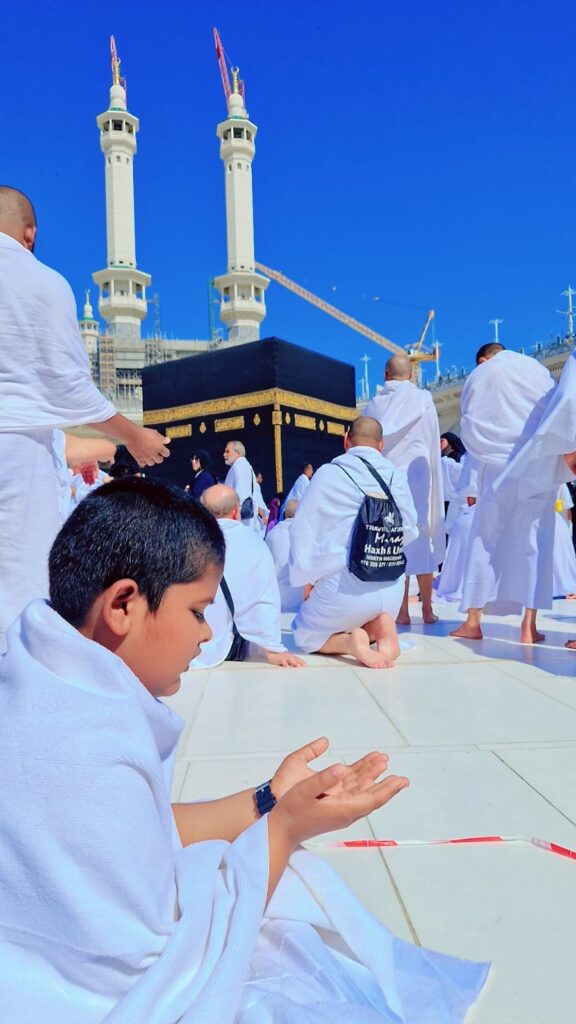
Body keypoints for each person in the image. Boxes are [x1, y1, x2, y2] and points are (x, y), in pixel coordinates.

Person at [0, 477, 488, 1021]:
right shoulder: (87, 744)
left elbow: (144, 826)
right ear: (123, 606)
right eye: (197, 611)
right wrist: (285, 832)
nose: (207, 635)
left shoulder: (39, 680)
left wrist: (270, 800)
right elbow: (157, 970)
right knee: (289, 908)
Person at [0, 186, 171, 647]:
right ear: (30, 234)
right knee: (19, 590)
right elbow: (70, 387)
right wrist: (133, 435)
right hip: (17, 454)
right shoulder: (43, 283)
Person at [289, 417, 418, 668]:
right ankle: (379, 625)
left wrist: (308, 578)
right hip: (391, 587)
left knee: (303, 635)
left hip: (345, 589)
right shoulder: (397, 477)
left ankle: (349, 643)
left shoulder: (329, 473)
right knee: (365, 611)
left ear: (346, 440)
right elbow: (410, 530)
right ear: (381, 444)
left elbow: (303, 530)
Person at [450, 343, 557, 643]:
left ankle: (473, 622)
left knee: (485, 539)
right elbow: (556, 410)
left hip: (497, 468)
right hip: (537, 463)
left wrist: (486, 450)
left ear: (484, 359)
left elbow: (469, 420)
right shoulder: (536, 369)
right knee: (537, 542)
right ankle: (529, 626)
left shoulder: (484, 373)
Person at [365, 353, 445, 626]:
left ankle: (400, 611)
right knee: (421, 536)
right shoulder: (424, 400)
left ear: (385, 376)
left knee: (392, 540)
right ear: (411, 375)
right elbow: (434, 440)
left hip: (387, 476)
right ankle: (427, 609)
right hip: (418, 475)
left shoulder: (374, 404)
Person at [194, 484, 305, 668]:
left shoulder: (187, 541)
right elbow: (264, 599)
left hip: (185, 646)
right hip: (227, 646)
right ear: (236, 511)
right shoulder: (255, 544)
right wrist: (273, 648)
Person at [265, 498, 304, 612]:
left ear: (283, 514)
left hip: (277, 597)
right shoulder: (306, 535)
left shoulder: (272, 534)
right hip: (299, 598)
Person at [223, 438, 259, 530]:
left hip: (240, 522)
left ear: (237, 453)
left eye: (228, 451)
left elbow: (241, 494)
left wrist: (234, 517)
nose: (224, 455)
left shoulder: (240, 466)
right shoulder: (242, 465)